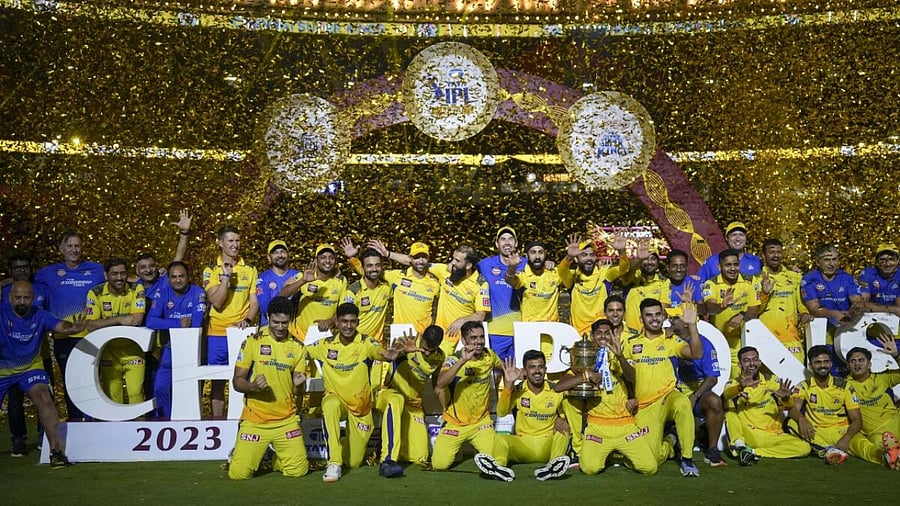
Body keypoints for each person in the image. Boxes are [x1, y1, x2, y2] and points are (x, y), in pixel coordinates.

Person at [556, 319, 658, 476]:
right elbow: (559, 387)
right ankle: (580, 449)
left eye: (607, 333)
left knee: (649, 467)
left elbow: (632, 377)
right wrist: (586, 375)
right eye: (599, 333)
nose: (603, 337)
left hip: (625, 425)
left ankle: (669, 444)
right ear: (592, 336)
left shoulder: (619, 357)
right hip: (598, 427)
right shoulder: (585, 359)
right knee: (590, 468)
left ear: (614, 335)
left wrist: (620, 356)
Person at [0, 281, 85, 468]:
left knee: (44, 397)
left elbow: (61, 326)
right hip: (2, 368)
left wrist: (74, 328)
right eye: (18, 297)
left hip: (30, 367)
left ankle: (55, 452)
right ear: (10, 298)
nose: (22, 301)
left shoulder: (40, 314)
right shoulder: (1, 313)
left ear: (33, 298)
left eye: (26, 298)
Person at [304, 302, 387, 482]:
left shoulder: (366, 342)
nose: (348, 326)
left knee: (353, 462)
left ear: (357, 322)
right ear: (337, 323)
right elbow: (300, 351)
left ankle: (342, 449)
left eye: (352, 322)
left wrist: (390, 354)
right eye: (344, 322)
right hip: (337, 401)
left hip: (360, 408)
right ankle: (333, 462)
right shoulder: (325, 345)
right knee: (330, 404)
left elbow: (379, 352)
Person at [228, 297, 309, 480]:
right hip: (255, 419)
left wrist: (300, 384)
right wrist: (253, 386)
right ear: (267, 317)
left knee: (298, 471)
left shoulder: (298, 347)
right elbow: (237, 382)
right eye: (275, 322)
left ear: (291, 319)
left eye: (284, 323)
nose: (280, 327)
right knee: (238, 475)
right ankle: (244, 452)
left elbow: (299, 391)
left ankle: (274, 457)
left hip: (286, 420)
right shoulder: (253, 341)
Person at [624, 298, 703, 476]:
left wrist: (692, 326)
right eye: (649, 315)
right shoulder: (630, 343)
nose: (654, 319)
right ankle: (670, 441)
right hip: (644, 406)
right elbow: (625, 376)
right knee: (649, 461)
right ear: (641, 318)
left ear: (663, 316)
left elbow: (696, 354)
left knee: (682, 403)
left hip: (667, 397)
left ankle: (687, 459)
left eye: (658, 314)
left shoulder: (671, 340)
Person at [34, 230, 106, 420]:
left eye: (77, 246)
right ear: (61, 249)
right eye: (70, 246)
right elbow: (24, 281)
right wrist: (5, 282)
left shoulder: (97, 270)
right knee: (71, 383)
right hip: (64, 337)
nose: (74, 250)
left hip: (92, 336)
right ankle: (75, 421)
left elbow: (120, 279)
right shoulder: (47, 273)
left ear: (82, 248)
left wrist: (156, 274)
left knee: (93, 381)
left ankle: (95, 421)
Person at [475, 349, 570, 481]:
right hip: (523, 444)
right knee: (500, 438)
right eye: (532, 367)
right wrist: (508, 386)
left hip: (547, 445)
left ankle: (553, 467)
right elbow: (501, 412)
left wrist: (561, 418)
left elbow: (566, 417)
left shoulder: (555, 390)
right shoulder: (519, 390)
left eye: (540, 367)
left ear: (545, 369)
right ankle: (498, 467)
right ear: (524, 371)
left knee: (563, 433)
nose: (537, 371)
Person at [788, 345, 887, 466]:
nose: (822, 365)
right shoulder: (803, 386)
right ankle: (829, 451)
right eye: (818, 362)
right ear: (810, 366)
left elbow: (856, 419)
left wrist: (846, 438)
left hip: (842, 431)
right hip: (817, 431)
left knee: (864, 446)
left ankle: (885, 457)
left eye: (826, 361)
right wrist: (801, 419)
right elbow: (793, 409)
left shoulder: (844, 386)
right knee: (791, 423)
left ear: (830, 364)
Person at [431, 321, 507, 475]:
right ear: (464, 341)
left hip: (481, 422)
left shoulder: (490, 355)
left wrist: (510, 375)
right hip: (454, 423)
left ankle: (484, 456)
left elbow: (503, 367)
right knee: (439, 464)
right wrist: (463, 361)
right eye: (473, 338)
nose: (479, 341)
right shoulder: (453, 359)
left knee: (499, 460)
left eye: (481, 337)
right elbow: (440, 383)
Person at [203, 225, 259, 418]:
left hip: (242, 333)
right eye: (230, 241)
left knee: (244, 378)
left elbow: (254, 302)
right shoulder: (210, 270)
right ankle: (218, 424)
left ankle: (244, 420)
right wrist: (225, 279)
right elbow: (216, 303)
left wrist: (248, 319)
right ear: (220, 243)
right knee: (218, 382)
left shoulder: (250, 269)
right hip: (217, 333)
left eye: (237, 240)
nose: (235, 245)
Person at [376, 325, 446, 477]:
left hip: (413, 406)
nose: (427, 353)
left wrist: (446, 410)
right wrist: (402, 351)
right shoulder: (407, 342)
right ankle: (387, 461)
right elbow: (390, 356)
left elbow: (437, 385)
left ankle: (388, 447)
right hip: (389, 394)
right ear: (422, 338)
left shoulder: (440, 357)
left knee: (420, 457)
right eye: (425, 348)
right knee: (396, 400)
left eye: (431, 350)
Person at [722, 346, 810, 463]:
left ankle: (752, 452)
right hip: (750, 433)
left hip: (774, 435)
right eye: (746, 361)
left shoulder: (772, 381)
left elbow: (788, 406)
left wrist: (786, 398)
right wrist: (741, 386)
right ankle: (740, 446)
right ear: (739, 365)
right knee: (730, 414)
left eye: (755, 359)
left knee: (804, 448)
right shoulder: (734, 383)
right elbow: (727, 394)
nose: (751, 363)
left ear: (760, 362)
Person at [2, 251, 50, 455]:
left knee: (44, 396)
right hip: (10, 358)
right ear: (10, 271)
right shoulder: (4, 291)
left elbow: (50, 316)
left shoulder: (43, 289)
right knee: (14, 402)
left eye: (25, 267)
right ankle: (18, 439)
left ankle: (43, 438)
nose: (22, 270)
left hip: (39, 355)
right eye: (17, 268)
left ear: (31, 268)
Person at [144, 261, 207, 419]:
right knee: (159, 389)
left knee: (188, 393)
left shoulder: (198, 293)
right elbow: (150, 321)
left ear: (188, 277)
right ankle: (167, 421)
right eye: (173, 277)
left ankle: (187, 423)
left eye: (181, 276)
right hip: (169, 350)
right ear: (169, 279)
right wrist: (177, 323)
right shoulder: (162, 293)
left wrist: (170, 325)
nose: (178, 280)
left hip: (192, 351)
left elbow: (196, 323)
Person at [85, 258, 147, 405]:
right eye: (114, 274)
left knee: (136, 395)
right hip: (108, 351)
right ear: (106, 275)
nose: (119, 278)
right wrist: (119, 320)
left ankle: (138, 427)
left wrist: (105, 322)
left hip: (133, 350)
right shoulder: (95, 293)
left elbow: (136, 319)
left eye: (123, 273)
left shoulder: (137, 289)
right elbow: (91, 325)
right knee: (113, 398)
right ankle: (115, 428)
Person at [671, 308, 726, 467]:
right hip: (673, 391)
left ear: (687, 324)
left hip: (697, 391)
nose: (672, 321)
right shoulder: (668, 340)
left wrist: (695, 396)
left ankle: (712, 449)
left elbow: (713, 377)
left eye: (676, 318)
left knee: (714, 401)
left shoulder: (705, 344)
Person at [558, 232, 630, 338]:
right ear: (576, 259)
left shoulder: (604, 274)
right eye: (584, 255)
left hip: (602, 334)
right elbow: (562, 271)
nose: (589, 259)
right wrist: (569, 257)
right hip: (578, 335)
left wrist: (622, 251)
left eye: (592, 255)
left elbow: (623, 269)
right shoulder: (572, 278)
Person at [702, 249, 761, 378]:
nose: (733, 268)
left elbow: (755, 308)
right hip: (718, 342)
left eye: (735, 264)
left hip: (743, 342)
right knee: (720, 382)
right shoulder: (711, 284)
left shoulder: (750, 281)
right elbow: (710, 308)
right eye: (728, 265)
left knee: (741, 380)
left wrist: (742, 315)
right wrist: (722, 306)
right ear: (719, 266)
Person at [364, 239, 440, 336]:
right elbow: (370, 273)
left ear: (428, 259)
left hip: (422, 335)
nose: (420, 261)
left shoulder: (435, 283)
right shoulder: (397, 276)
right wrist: (352, 258)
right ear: (410, 258)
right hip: (399, 333)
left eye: (424, 257)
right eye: (416, 257)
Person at [845, 338, 900, 470]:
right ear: (848, 366)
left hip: (896, 421)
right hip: (876, 433)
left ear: (869, 364)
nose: (857, 364)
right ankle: (893, 457)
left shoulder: (883, 378)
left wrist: (896, 355)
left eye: (861, 360)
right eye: (853, 361)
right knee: (879, 446)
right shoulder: (844, 386)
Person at [505, 240, 561, 361]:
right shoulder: (524, 276)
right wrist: (512, 266)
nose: (537, 256)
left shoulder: (554, 274)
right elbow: (509, 280)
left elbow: (568, 273)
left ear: (545, 255)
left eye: (540, 252)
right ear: (527, 256)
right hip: (529, 333)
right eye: (533, 252)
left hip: (551, 334)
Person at [757, 238, 810, 364]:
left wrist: (805, 313)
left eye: (778, 252)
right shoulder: (756, 279)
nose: (775, 255)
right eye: (771, 252)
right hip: (766, 337)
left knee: (797, 375)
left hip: (790, 336)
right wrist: (764, 293)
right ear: (763, 255)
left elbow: (801, 304)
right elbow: (755, 311)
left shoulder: (795, 277)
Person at [476, 226, 526, 361]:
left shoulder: (526, 264)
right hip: (494, 331)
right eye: (503, 239)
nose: (507, 242)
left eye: (511, 239)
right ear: (497, 244)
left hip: (521, 330)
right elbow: (466, 270)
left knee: (517, 374)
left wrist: (549, 264)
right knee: (495, 374)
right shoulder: (485, 265)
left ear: (516, 243)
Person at [280, 244, 346, 342]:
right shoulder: (304, 275)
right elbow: (282, 295)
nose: (327, 261)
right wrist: (303, 281)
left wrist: (330, 321)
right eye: (323, 257)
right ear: (316, 261)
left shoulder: (341, 281)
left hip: (325, 337)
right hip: (299, 336)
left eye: (331, 258)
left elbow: (343, 309)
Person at [801, 244, 864, 343]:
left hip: (847, 332)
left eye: (834, 259)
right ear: (818, 262)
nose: (831, 264)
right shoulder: (809, 279)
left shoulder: (847, 278)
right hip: (822, 334)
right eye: (827, 260)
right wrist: (834, 314)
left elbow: (857, 301)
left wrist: (853, 310)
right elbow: (814, 309)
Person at [697, 221, 763, 283]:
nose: (738, 238)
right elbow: (698, 282)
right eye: (734, 235)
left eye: (741, 235)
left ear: (745, 238)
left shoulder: (756, 261)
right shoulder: (712, 261)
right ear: (726, 238)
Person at [623, 247, 668, 330]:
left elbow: (663, 310)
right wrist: (639, 258)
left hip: (652, 334)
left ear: (658, 263)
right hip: (630, 333)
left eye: (653, 259)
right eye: (645, 259)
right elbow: (628, 271)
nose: (649, 262)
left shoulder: (664, 283)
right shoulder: (633, 277)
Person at [256, 240, 298, 327]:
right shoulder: (263, 278)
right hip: (269, 327)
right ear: (269, 257)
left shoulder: (298, 275)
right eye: (275, 252)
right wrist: (285, 290)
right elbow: (265, 308)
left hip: (293, 328)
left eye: (282, 252)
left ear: (288, 255)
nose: (280, 255)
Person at [858, 243, 900, 317]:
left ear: (898, 261)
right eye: (882, 260)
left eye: (891, 259)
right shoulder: (868, 273)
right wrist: (892, 309)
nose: (887, 264)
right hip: (871, 317)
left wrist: (875, 307)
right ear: (876, 261)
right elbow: (861, 304)